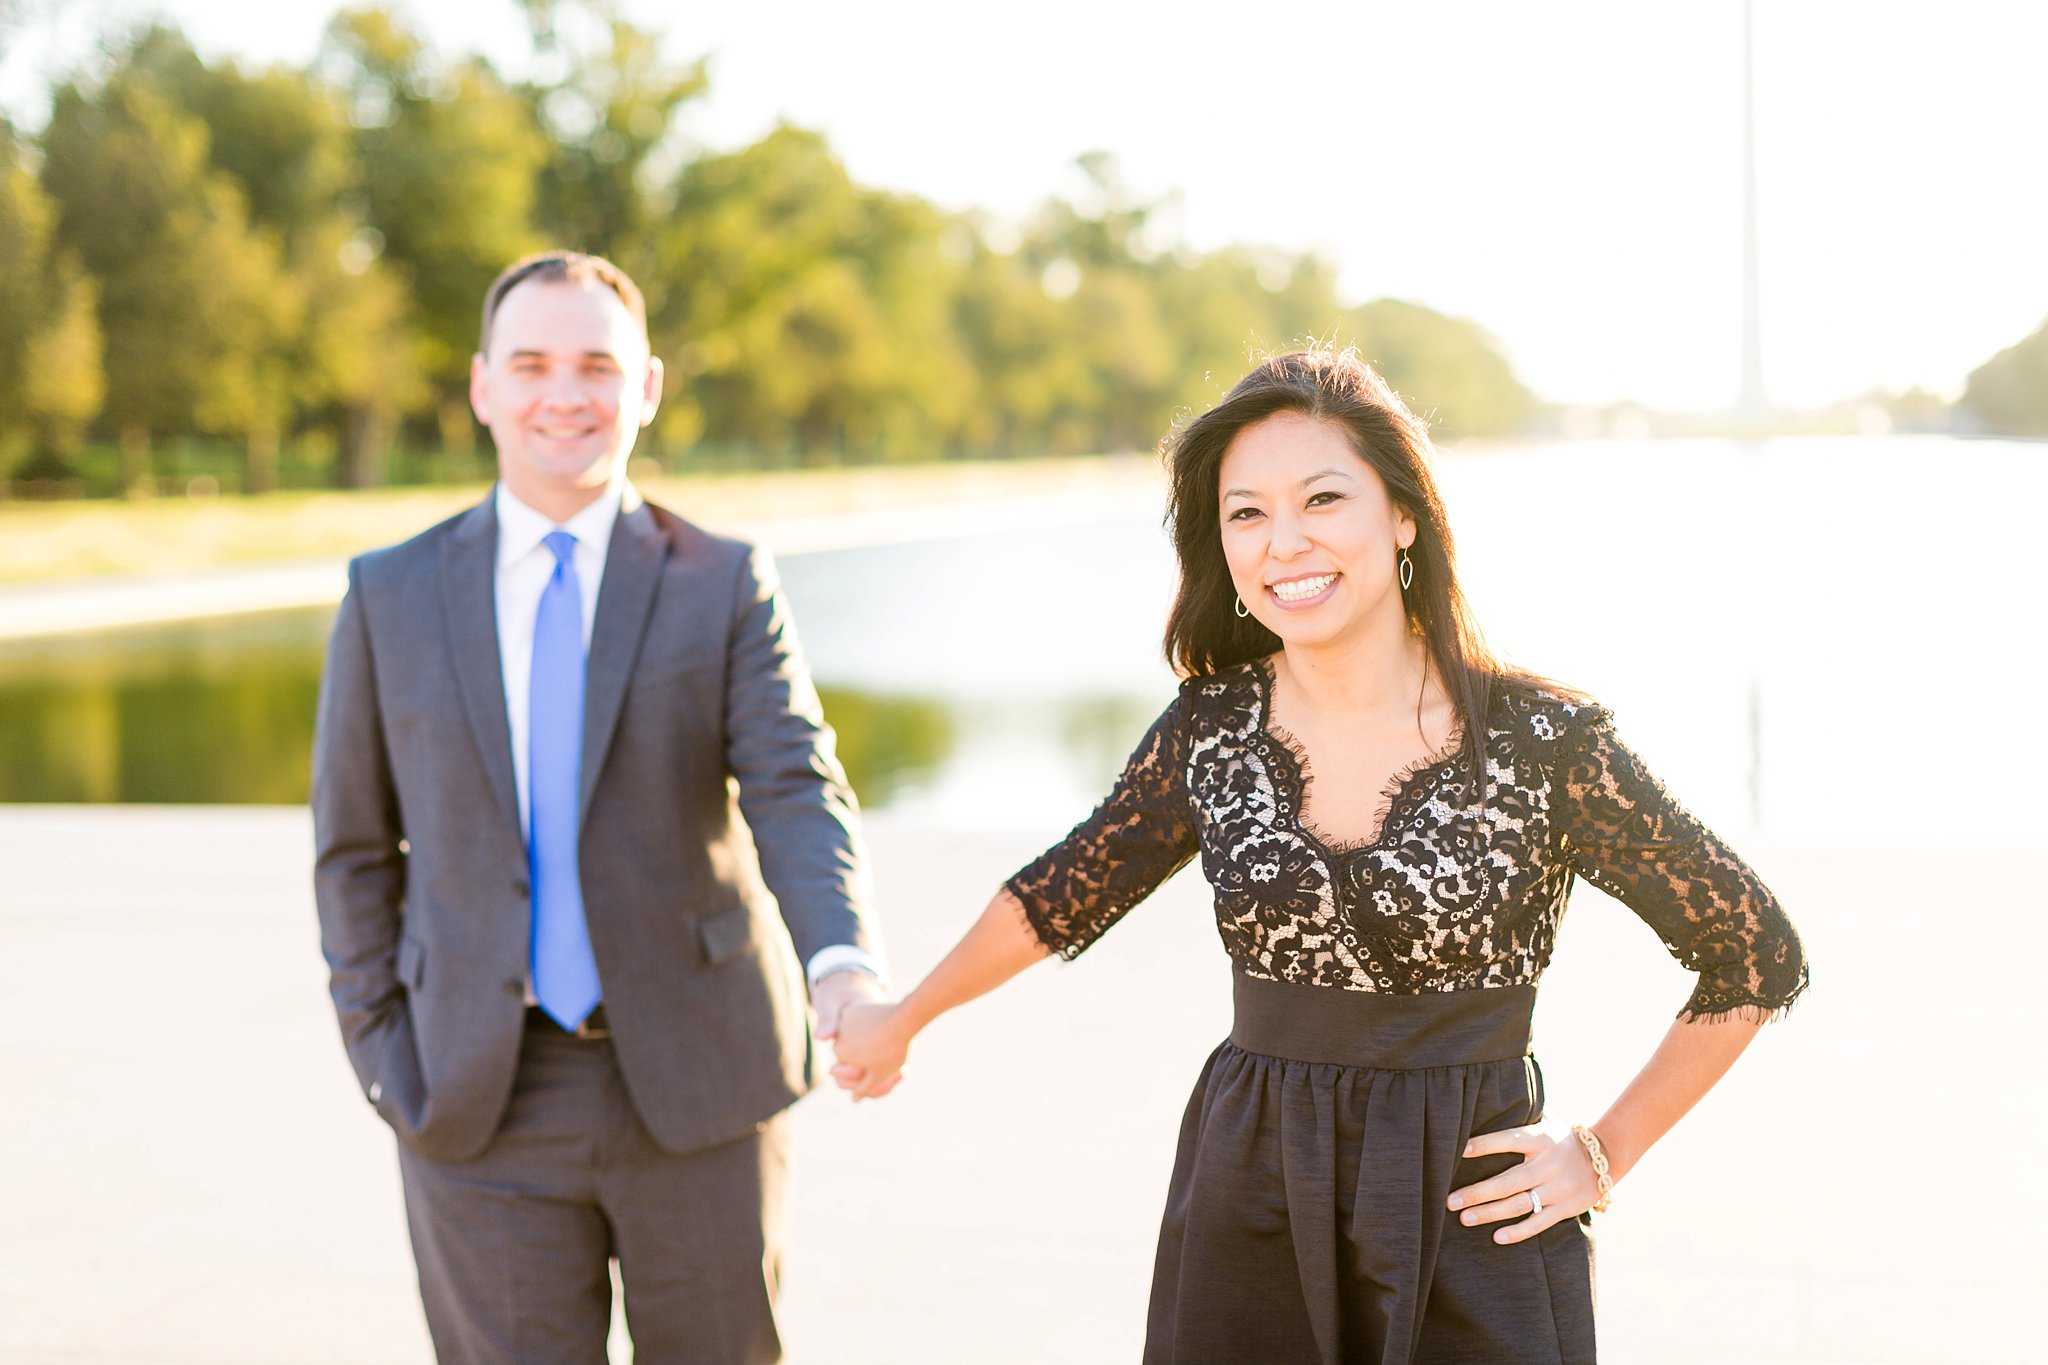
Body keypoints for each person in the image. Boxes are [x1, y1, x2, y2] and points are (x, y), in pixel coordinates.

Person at [829, 348, 1808, 1363]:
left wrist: (1601, 1153)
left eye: (1321, 499)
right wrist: (901, 1019)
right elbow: (1060, 892)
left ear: (1402, 516)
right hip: (1249, 1192)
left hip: (1471, 1210)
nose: (1281, 542)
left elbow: (1752, 950)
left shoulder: (1540, 741)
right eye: (1243, 513)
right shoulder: (1210, 730)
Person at [312, 249, 886, 1363]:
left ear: (646, 388)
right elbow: (351, 848)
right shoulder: (389, 595)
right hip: (474, 1092)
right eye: (530, 364)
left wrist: (841, 961)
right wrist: (380, 1045)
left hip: (701, 1083)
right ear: (482, 387)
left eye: (595, 365)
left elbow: (792, 785)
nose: (564, 394)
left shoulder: (720, 580)